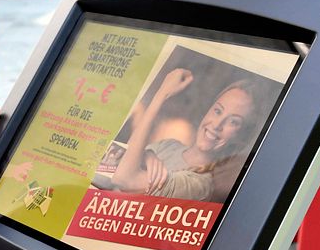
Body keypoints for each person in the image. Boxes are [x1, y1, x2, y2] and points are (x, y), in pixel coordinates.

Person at [102, 68, 262, 202]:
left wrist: (162, 94)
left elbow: (123, 178)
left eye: (233, 122)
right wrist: (147, 155)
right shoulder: (168, 145)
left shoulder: (201, 184)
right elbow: (117, 158)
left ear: (240, 137)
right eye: (218, 111)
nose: (216, 125)